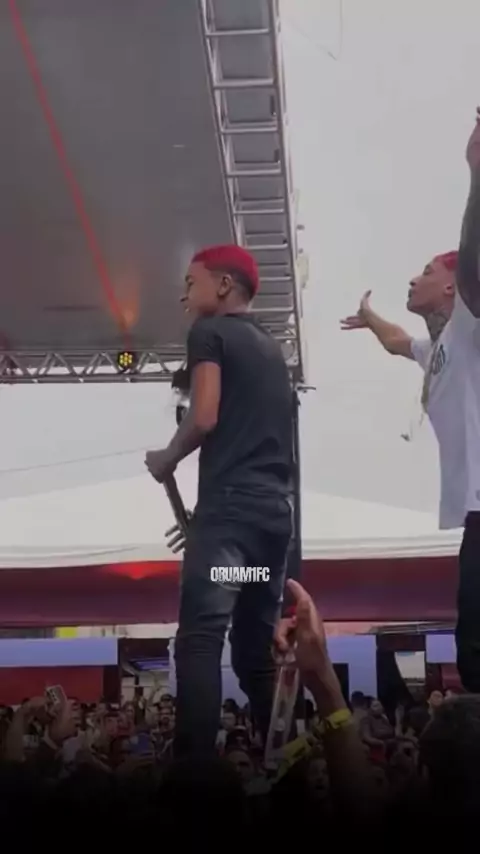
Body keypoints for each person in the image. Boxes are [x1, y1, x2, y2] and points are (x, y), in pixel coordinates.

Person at [340, 109, 480, 691]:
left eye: (424, 272)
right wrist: (370, 317)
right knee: (471, 642)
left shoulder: (470, 320)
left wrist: (475, 171)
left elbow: (472, 258)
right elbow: (401, 343)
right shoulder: (438, 347)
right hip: (475, 511)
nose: (413, 279)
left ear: (451, 285)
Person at [145, 245, 293, 756]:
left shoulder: (209, 333)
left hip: (228, 517)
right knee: (255, 655)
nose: (184, 294)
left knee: (201, 639)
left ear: (224, 286)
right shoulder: (271, 349)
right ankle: (289, 765)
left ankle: (194, 776)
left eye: (191, 282)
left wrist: (167, 457)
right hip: (270, 527)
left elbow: (204, 415)